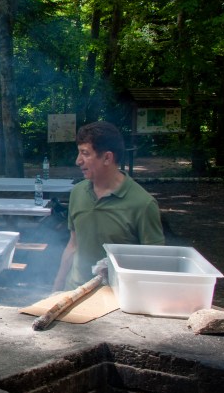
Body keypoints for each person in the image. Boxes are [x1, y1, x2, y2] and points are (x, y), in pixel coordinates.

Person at [53, 121, 164, 291]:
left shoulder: (142, 204)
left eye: (85, 153)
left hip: (116, 297)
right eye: (79, 152)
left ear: (107, 158)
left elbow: (155, 262)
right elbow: (73, 244)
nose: (78, 161)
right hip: (74, 292)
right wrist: (57, 287)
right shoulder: (77, 192)